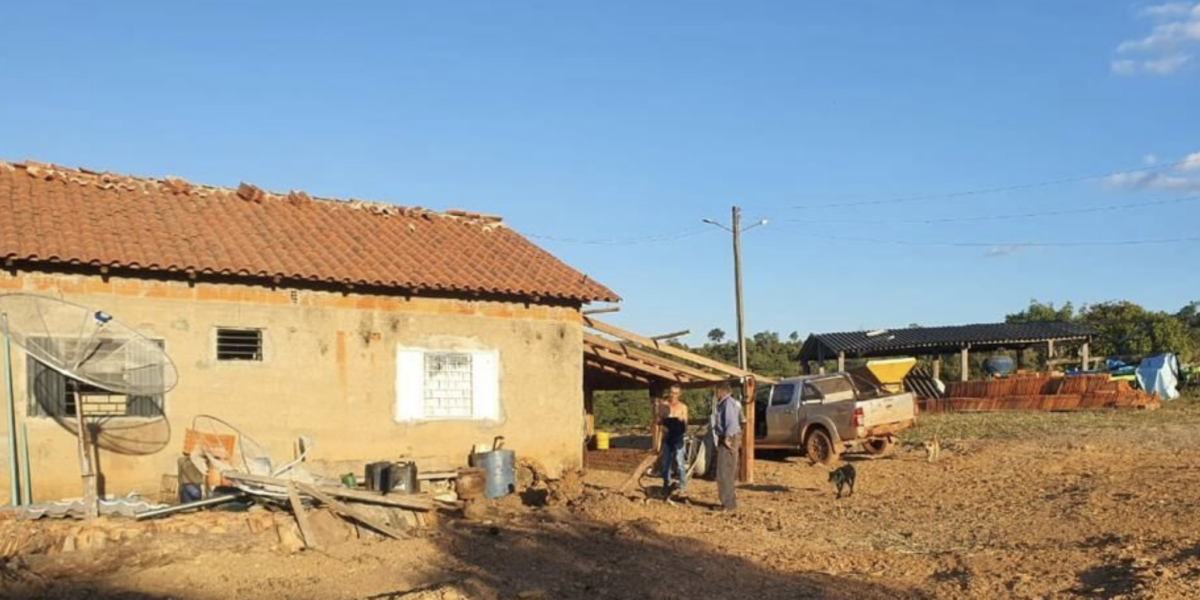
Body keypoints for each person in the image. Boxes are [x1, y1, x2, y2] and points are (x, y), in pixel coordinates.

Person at [713, 381, 740, 510]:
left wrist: (727, 439)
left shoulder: (727, 403)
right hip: (727, 437)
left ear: (721, 391)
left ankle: (728, 504)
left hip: (728, 439)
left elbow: (731, 422)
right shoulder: (726, 403)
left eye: (716, 391)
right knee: (725, 472)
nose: (715, 394)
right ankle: (728, 503)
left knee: (724, 472)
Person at [659, 384, 689, 497]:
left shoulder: (683, 407)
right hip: (667, 436)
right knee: (665, 463)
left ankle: (682, 487)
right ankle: (666, 485)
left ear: (679, 394)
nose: (673, 395)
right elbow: (658, 421)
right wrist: (663, 426)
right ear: (669, 392)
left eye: (676, 393)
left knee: (680, 462)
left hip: (678, 437)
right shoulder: (663, 406)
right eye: (672, 392)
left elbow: (686, 425)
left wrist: (681, 423)